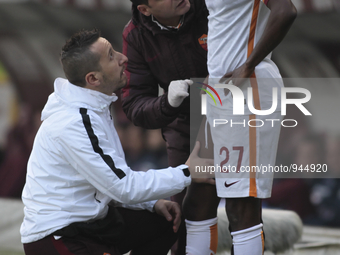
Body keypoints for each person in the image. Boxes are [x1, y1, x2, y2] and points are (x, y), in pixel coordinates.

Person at [20, 29, 214, 255]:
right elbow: (122, 187)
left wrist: (152, 204)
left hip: (93, 224)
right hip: (60, 236)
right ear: (93, 79)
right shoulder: (74, 122)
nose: (124, 58)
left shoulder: (95, 106)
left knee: (164, 221)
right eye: (111, 55)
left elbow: (114, 181)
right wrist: (187, 173)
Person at [183, 0, 297, 254]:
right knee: (200, 194)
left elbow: (286, 10)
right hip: (219, 89)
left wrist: (248, 64)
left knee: (240, 204)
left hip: (248, 87)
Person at [121, 0, 209, 253]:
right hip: (183, 126)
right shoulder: (136, 34)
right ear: (145, 10)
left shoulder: (210, 8)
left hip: (234, 115)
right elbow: (135, 104)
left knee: (242, 206)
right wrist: (167, 102)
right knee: (184, 215)